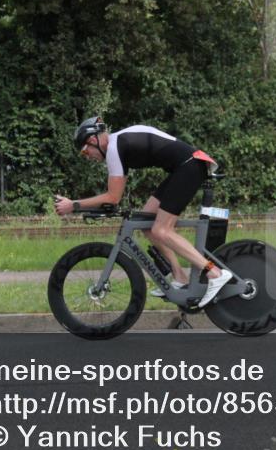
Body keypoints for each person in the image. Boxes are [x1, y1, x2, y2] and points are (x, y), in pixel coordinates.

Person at [53, 117, 233, 308]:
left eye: (84, 151)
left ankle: (214, 273)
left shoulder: (114, 148)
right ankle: (180, 277)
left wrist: (74, 205)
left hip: (189, 166)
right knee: (147, 222)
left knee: (161, 230)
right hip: (185, 166)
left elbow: (113, 197)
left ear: (92, 140)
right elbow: (114, 195)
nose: (87, 156)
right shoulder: (118, 144)